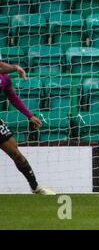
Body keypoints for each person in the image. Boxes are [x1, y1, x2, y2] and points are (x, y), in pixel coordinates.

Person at [0, 61, 55, 195]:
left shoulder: (5, 78)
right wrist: (14, 68)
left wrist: (29, 115)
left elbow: (13, 97)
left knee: (16, 153)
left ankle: (35, 187)